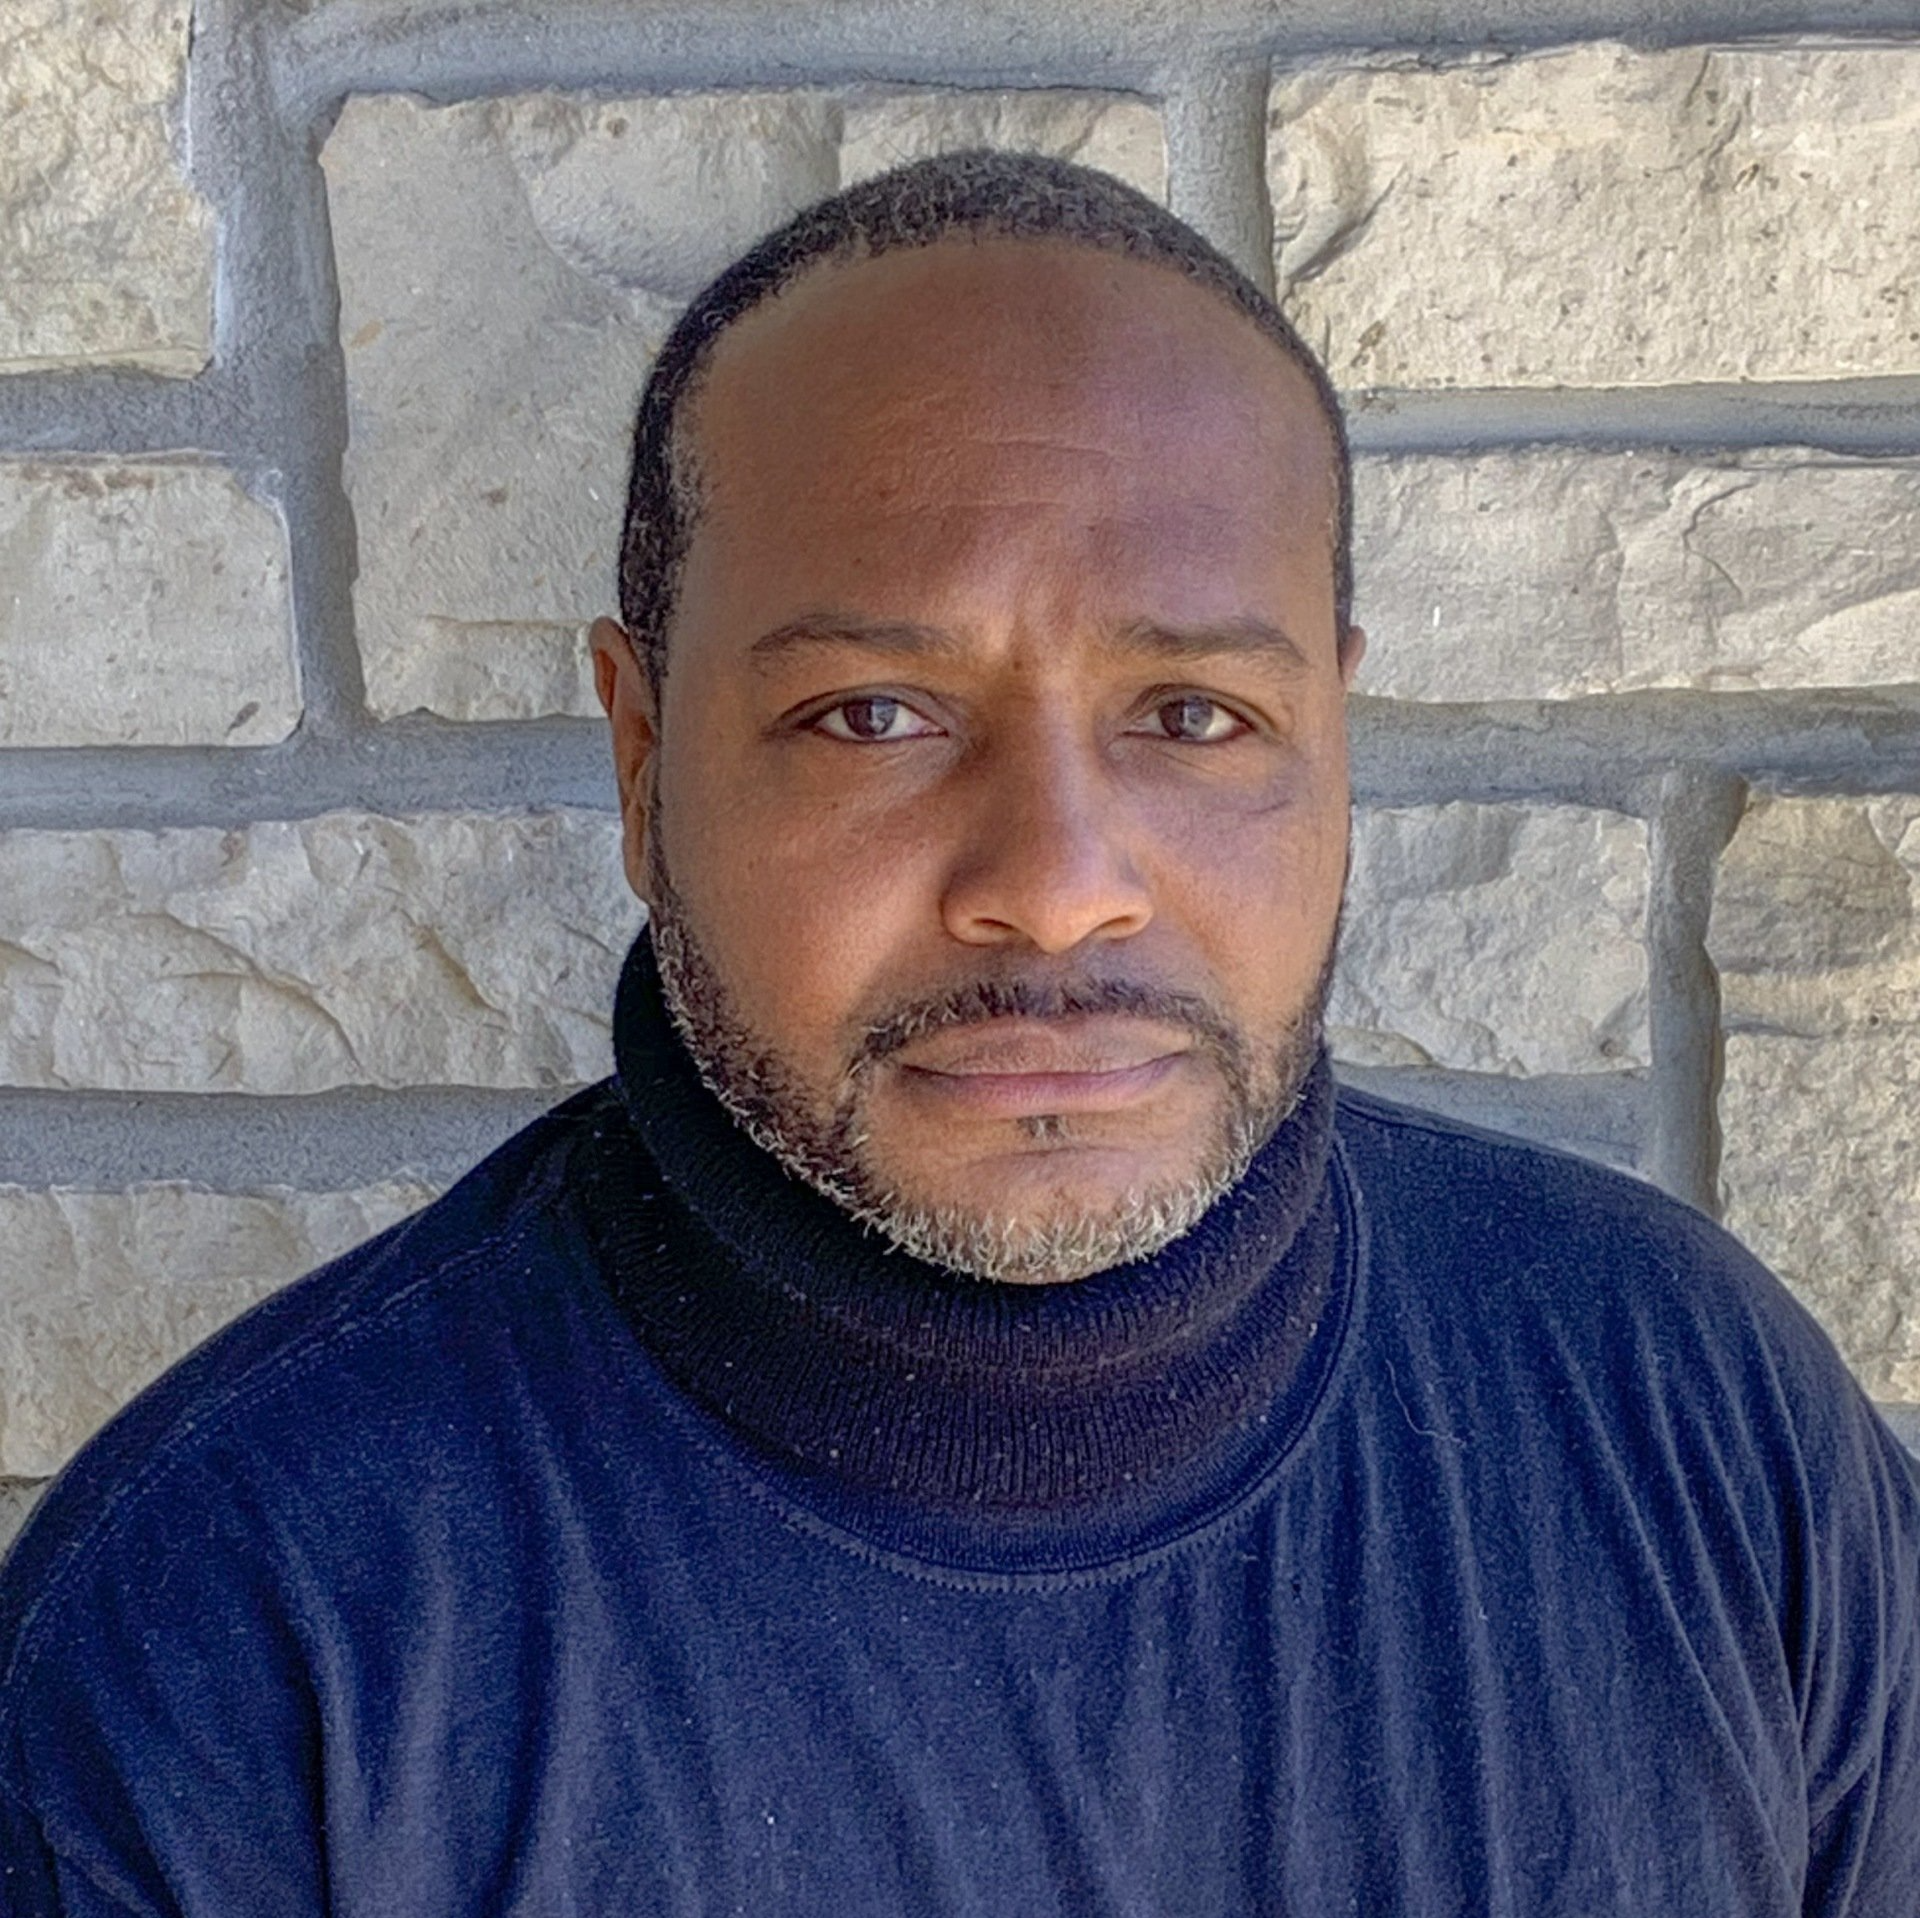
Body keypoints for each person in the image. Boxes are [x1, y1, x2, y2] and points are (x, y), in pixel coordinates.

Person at [2, 151, 1916, 1915]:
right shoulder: (230, 1635)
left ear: (1336, 733)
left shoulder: (1701, 1426)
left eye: (1190, 715)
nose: (1057, 883)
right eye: (874, 715)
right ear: (643, 748)